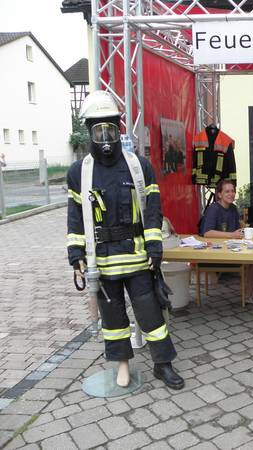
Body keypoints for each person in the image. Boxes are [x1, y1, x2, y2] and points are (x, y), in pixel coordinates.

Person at [67, 90, 184, 390]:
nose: (105, 137)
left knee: (150, 313)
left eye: (110, 129)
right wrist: (76, 254)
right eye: (98, 131)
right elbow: (75, 217)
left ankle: (163, 364)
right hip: (102, 261)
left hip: (136, 257)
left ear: (118, 128)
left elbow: (153, 210)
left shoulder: (139, 166)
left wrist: (154, 246)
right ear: (89, 132)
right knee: (113, 316)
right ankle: (122, 364)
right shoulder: (80, 173)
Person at [200, 179, 253, 305]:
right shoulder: (214, 209)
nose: (231, 194)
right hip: (215, 253)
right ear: (219, 194)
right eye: (227, 191)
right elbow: (207, 233)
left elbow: (237, 229)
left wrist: (244, 228)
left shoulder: (233, 208)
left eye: (232, 191)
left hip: (231, 249)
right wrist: (232, 235)